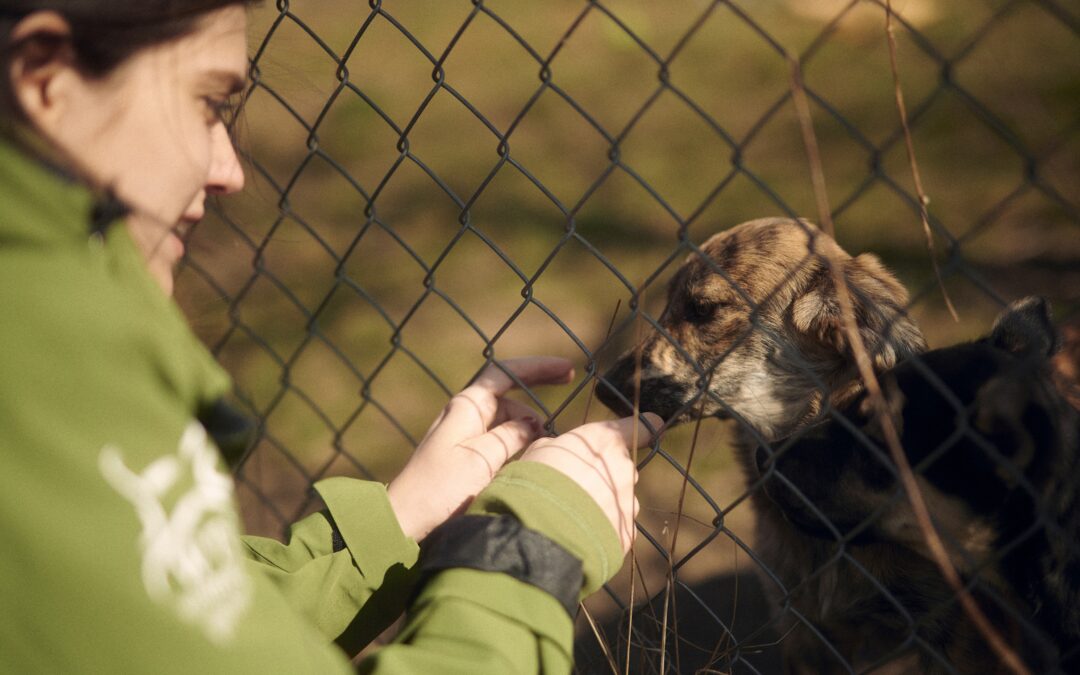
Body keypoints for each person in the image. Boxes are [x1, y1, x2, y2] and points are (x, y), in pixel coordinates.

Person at [0, 2, 660, 673]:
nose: (231, 170)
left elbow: (168, 638)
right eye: (207, 103)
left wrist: (395, 527)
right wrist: (527, 548)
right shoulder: (43, 375)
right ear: (46, 75)